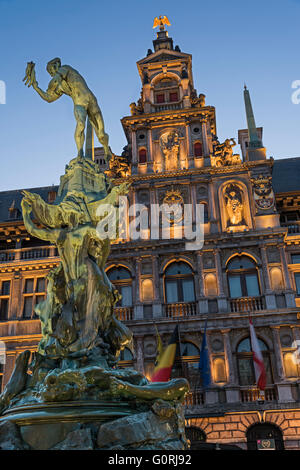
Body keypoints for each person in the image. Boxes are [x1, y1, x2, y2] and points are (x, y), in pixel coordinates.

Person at [23, 58, 112, 161]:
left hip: (91, 101)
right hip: (79, 104)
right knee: (81, 125)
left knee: (101, 135)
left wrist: (50, 85)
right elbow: (49, 98)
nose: (51, 74)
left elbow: (56, 80)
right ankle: (80, 153)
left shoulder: (65, 69)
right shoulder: (61, 86)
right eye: (50, 73)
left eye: (51, 70)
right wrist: (36, 86)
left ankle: (106, 149)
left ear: (56, 65)